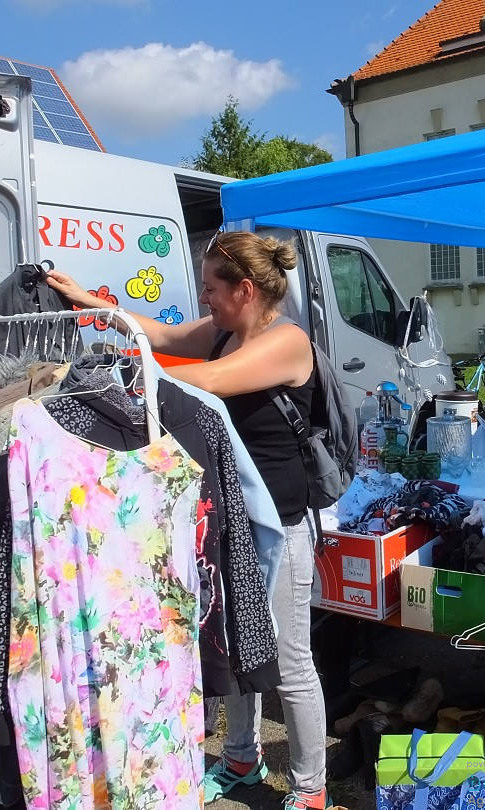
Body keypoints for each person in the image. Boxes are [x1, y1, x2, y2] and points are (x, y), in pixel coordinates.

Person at [47, 230, 331, 810]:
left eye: (210, 288)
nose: (204, 299)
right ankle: (242, 759)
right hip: (235, 520)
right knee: (238, 640)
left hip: (281, 526)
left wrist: (113, 377)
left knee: (290, 660)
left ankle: (311, 788)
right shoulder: (226, 331)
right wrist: (92, 304)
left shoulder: (288, 342)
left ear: (244, 289)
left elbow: (204, 381)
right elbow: (167, 336)